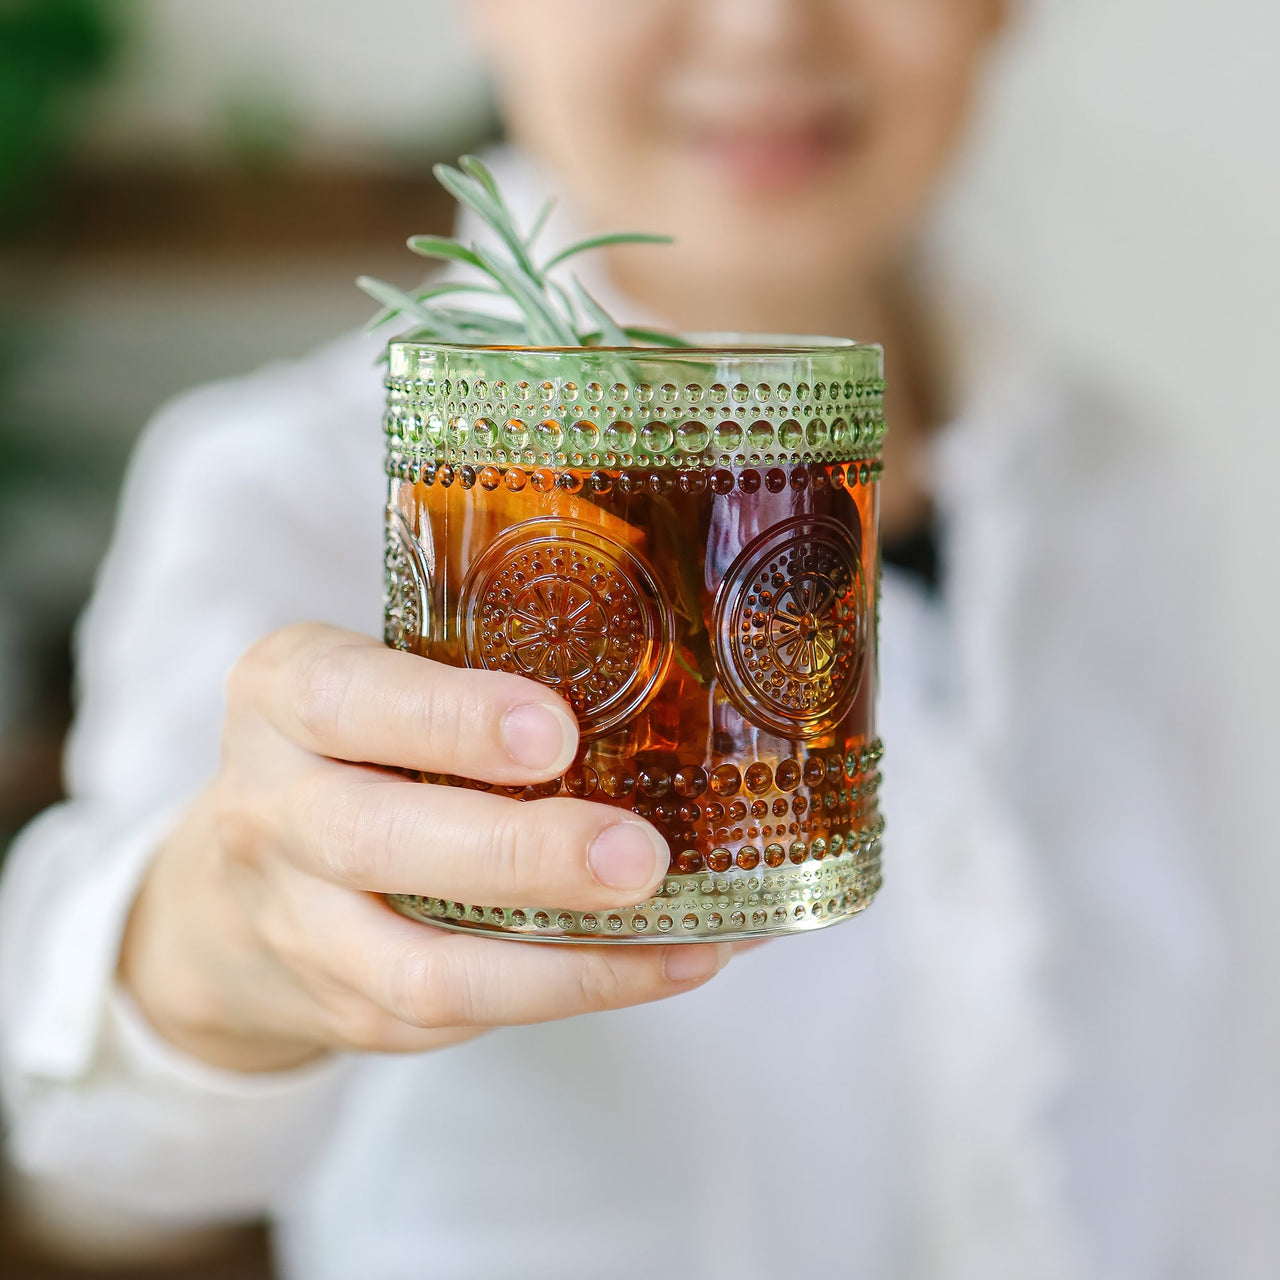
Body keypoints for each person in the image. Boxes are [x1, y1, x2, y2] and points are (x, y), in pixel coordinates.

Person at [0, 2, 1254, 1277]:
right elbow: (104, 1160)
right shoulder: (308, 485)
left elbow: (1207, 1123)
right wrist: (216, 944)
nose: (765, 28)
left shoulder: (1133, 489)